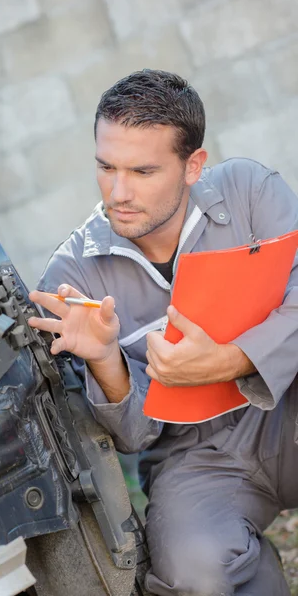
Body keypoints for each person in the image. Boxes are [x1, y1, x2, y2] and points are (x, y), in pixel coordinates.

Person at [28, 70, 298, 596]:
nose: (118, 192)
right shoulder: (71, 278)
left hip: (288, 407)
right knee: (194, 571)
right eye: (105, 167)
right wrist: (107, 361)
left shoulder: (249, 191)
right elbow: (132, 439)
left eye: (143, 170)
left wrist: (232, 359)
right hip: (196, 457)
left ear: (192, 165)